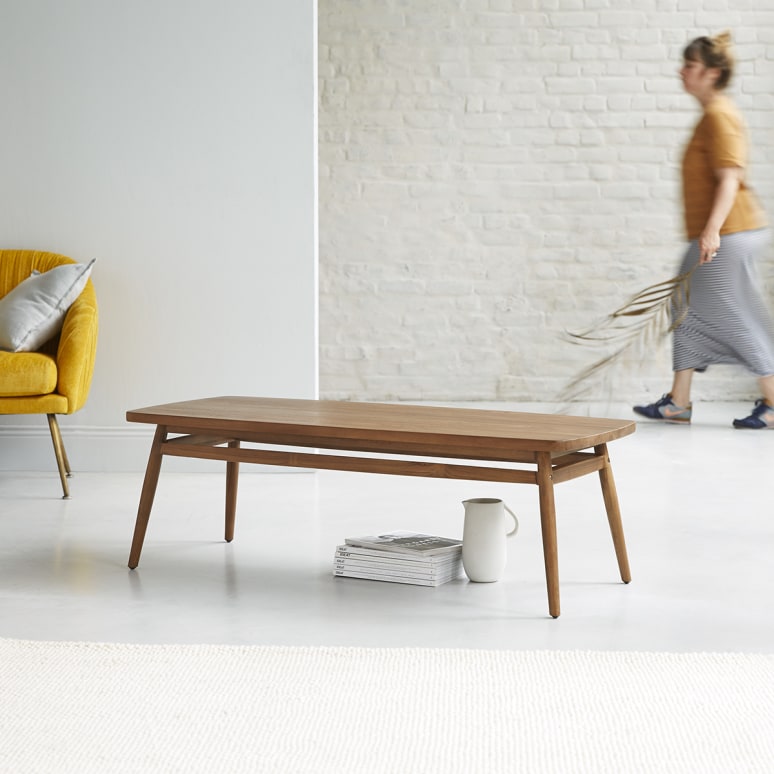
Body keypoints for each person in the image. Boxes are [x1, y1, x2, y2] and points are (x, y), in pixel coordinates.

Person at [633, 31, 774, 429]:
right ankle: (678, 401)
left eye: (690, 65)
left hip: (729, 231)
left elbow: (730, 178)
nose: (682, 71)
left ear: (712, 73)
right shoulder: (713, 114)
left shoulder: (720, 115)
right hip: (721, 231)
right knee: (686, 307)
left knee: (733, 315)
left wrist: (711, 233)